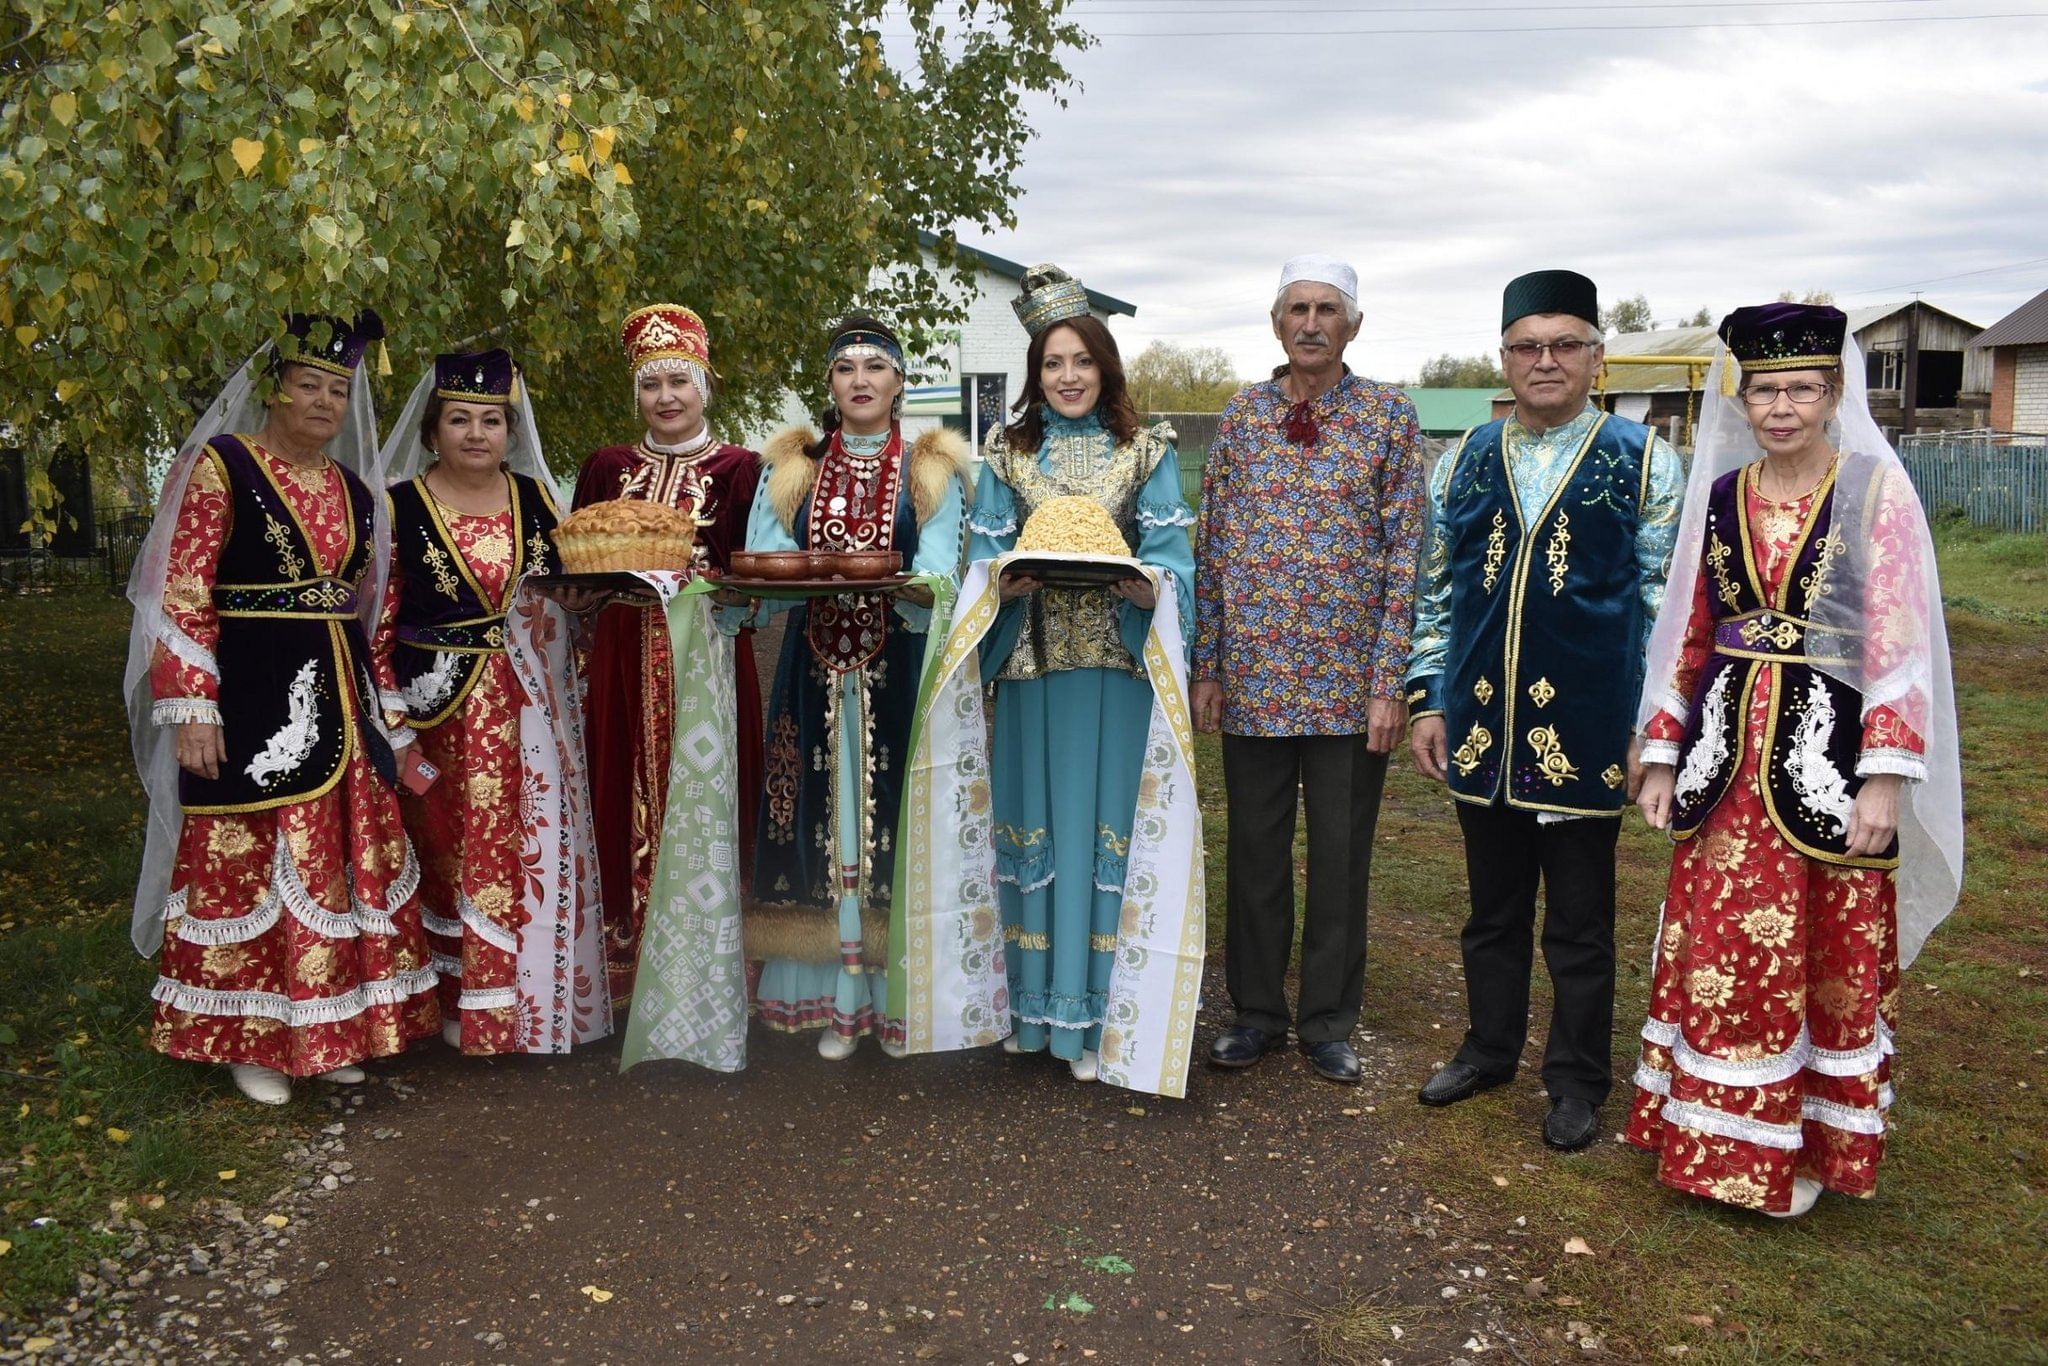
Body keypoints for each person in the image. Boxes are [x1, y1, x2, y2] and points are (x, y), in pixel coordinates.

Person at [1625, 304, 1962, 1217]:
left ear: (1835, 393)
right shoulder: (1726, 494)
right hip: (1726, 758)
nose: (1780, 407)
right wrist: (1660, 753)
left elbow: (1899, 639)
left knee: (1819, 949)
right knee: (1721, 948)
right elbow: (1688, 632)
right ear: (1745, 397)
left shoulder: (1872, 494)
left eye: (1801, 389)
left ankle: (1805, 1143)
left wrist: (1886, 773)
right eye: (1765, 390)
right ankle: (1709, 1135)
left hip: (1830, 759)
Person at [126, 310, 440, 1106]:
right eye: (311, 385)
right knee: (252, 863)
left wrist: (388, 720)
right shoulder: (222, 466)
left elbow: (366, 611)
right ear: (276, 390)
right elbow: (184, 586)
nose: (327, 404)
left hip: (342, 696)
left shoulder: (355, 493)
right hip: (252, 693)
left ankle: (330, 1030)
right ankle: (254, 1038)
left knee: (340, 859)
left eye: (340, 390)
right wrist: (192, 703)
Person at [1406, 269, 1685, 1150]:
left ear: (1596, 358)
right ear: (1505, 358)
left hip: (1591, 732)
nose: (1546, 361)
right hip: (1482, 726)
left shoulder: (1641, 461)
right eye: (1528, 346)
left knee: (1579, 922)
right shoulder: (1462, 460)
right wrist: (1426, 700)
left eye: (1565, 344)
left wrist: (1655, 729)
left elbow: (1665, 606)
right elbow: (1436, 597)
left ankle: (1575, 1081)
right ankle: (1488, 1050)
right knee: (1490, 912)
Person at [1193, 255, 1425, 1085]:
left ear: (1352, 325)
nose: (1312, 322)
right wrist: (1207, 664)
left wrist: (1388, 682)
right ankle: (1255, 1012)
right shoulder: (1243, 417)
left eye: (1328, 308)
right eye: (1297, 307)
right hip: (1252, 680)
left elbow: (1408, 560)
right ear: (1276, 322)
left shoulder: (1390, 420)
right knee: (1253, 852)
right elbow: (1211, 546)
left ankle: (1328, 1019)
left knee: (1338, 857)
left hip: (1346, 689)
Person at [965, 265, 1197, 1082]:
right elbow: (984, 555)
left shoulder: (1147, 449)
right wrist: (1001, 586)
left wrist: (1149, 592)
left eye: (1081, 361)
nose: (1067, 377)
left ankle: (1099, 1016)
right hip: (1030, 668)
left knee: (1108, 830)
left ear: (1106, 367)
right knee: (1035, 826)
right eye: (1052, 364)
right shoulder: (1008, 452)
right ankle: (1033, 1015)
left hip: (1116, 670)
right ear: (1037, 375)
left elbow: (1173, 558)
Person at [743, 314, 969, 1059]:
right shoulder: (795, 466)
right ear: (831, 383)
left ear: (900, 382)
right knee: (814, 820)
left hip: (896, 667)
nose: (862, 380)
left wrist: (904, 584)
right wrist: (735, 599)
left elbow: (938, 573)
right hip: (810, 672)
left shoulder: (929, 467)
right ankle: (832, 996)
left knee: (893, 823)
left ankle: (895, 998)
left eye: (877, 367)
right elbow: (766, 567)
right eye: (847, 368)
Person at [573, 305, 762, 1009]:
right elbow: (580, 561)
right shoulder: (607, 468)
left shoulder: (741, 469)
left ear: (704, 387)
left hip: (704, 653)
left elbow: (754, 567)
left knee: (708, 794)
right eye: (652, 386)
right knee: (619, 791)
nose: (667, 398)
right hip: (621, 654)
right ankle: (626, 974)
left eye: (679, 382)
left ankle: (710, 973)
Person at [375, 348, 562, 1054]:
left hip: (531, 706)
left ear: (510, 433)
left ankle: (527, 999)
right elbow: (377, 627)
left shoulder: (539, 502)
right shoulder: (397, 509)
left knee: (526, 845)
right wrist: (395, 726)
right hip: (439, 711)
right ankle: (459, 1002)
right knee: (449, 848)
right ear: (432, 432)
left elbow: (567, 601)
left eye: (491, 420)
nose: (477, 433)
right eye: (460, 419)